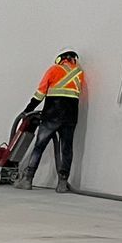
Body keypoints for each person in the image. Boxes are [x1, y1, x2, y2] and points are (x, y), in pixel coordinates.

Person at [17, 50, 84, 190]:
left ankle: (28, 180)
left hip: (52, 115)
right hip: (70, 117)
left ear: (60, 59)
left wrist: (27, 110)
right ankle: (62, 183)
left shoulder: (54, 70)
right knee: (66, 148)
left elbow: (40, 93)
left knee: (39, 146)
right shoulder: (79, 74)